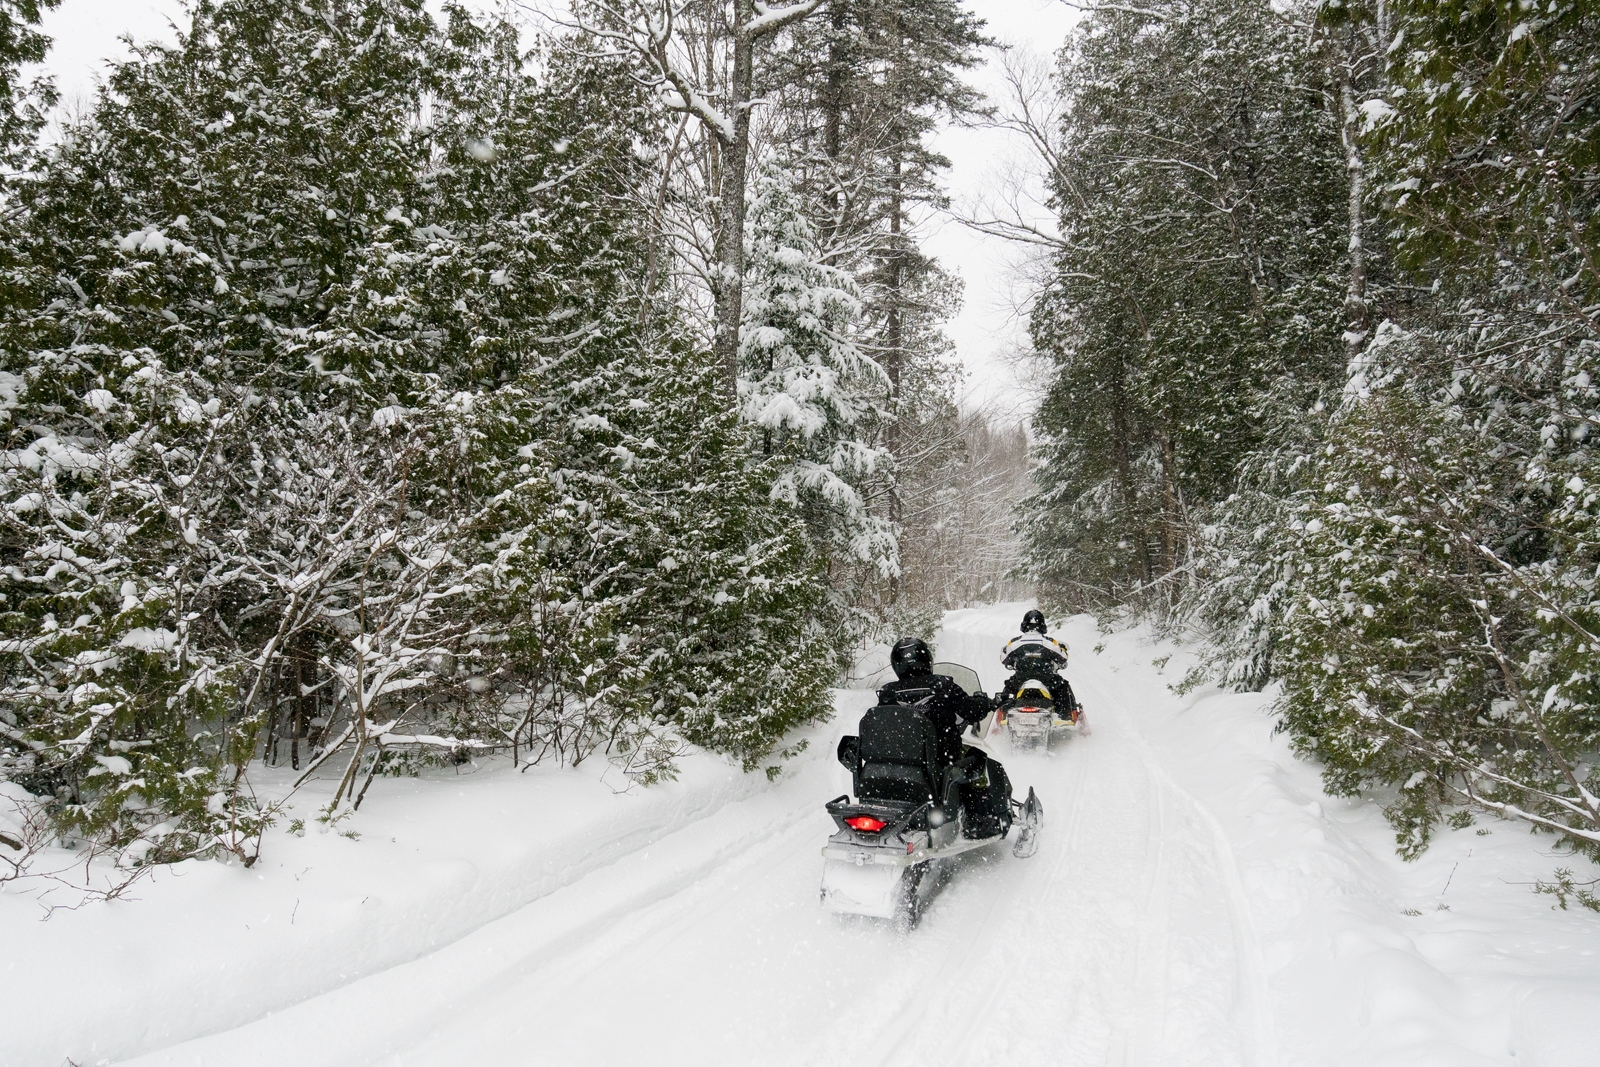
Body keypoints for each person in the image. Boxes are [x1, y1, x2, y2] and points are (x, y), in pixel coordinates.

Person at [876, 636, 1013, 838]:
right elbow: (972, 710)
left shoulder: (887, 693)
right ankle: (980, 821)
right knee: (979, 760)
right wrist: (984, 702)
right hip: (940, 760)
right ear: (926, 660)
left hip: (899, 761)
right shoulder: (942, 685)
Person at [999, 610, 1079, 717]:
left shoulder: (1014, 643)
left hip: (1021, 680)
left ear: (1024, 625)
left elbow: (1004, 660)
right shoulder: (1050, 643)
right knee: (1063, 687)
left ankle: (1003, 715)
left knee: (1007, 690)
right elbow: (1063, 659)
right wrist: (1062, 649)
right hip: (1047, 680)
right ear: (1042, 625)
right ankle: (1066, 715)